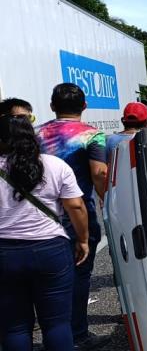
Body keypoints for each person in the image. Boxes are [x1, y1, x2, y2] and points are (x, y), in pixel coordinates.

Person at [0, 114, 90, 351]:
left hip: (4, 254)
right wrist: (82, 240)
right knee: (57, 324)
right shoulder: (54, 165)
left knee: (14, 326)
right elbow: (76, 206)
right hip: (51, 249)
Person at [36, 84, 109, 350]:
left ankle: (52, 334)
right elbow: (100, 173)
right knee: (79, 276)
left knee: (46, 279)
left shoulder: (36, 134)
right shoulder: (92, 136)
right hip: (79, 213)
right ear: (85, 106)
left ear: (53, 106)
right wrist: (107, 199)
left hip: (41, 215)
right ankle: (77, 334)